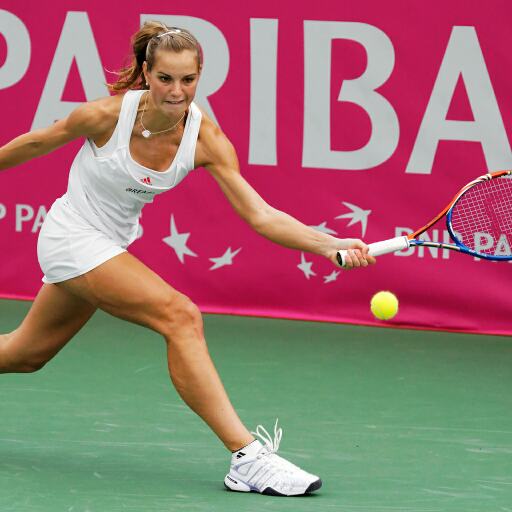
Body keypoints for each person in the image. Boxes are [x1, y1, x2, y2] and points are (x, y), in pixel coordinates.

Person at [0, 21, 375, 496]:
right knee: (180, 316)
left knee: (24, 354)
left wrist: (328, 244)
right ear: (145, 74)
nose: (177, 92)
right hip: (71, 235)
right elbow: (33, 144)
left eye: (188, 80)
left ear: (200, 78)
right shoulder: (103, 117)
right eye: (165, 79)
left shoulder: (206, 140)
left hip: (109, 244)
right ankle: (247, 458)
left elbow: (259, 214)